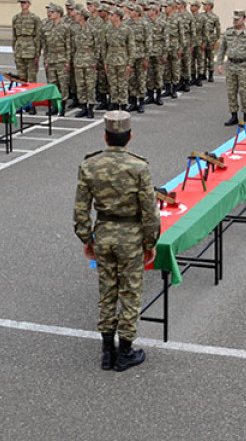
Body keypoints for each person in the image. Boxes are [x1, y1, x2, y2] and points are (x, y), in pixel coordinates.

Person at [73, 110, 160, 372]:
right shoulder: (139, 167)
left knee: (107, 291)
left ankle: (106, 352)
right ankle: (125, 352)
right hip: (131, 235)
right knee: (130, 292)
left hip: (105, 233)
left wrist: (87, 238)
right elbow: (150, 212)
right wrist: (150, 242)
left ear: (105, 137)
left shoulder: (90, 165)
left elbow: (80, 210)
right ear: (129, 137)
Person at [215, 9, 246, 126]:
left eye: (237, 19)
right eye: (234, 19)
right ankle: (233, 116)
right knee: (231, 92)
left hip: (243, 65)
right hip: (230, 65)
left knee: (244, 92)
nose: (235, 21)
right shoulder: (228, 32)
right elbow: (222, 49)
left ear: (244, 19)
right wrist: (219, 63)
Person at [40, 3, 72, 115]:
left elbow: (68, 45)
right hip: (51, 58)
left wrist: (68, 61)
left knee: (63, 83)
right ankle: (54, 105)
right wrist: (45, 60)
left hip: (61, 58)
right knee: (52, 84)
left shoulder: (65, 27)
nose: (50, 14)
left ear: (58, 14)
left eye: (52, 12)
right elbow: (45, 45)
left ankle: (62, 106)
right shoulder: (48, 26)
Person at [11, 0, 42, 88]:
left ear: (29, 4)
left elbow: (38, 36)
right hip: (19, 49)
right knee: (21, 77)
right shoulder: (16, 18)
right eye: (21, 3)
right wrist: (15, 50)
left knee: (32, 77)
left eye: (24, 3)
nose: (22, 5)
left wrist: (37, 54)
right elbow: (14, 35)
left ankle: (33, 99)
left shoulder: (34, 18)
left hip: (30, 50)